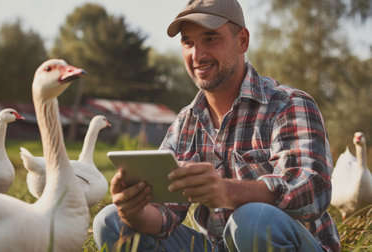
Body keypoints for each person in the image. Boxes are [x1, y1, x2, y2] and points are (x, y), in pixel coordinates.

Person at [93, 0, 341, 251]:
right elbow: (164, 213)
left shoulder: (288, 105)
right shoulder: (185, 123)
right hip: (216, 246)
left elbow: (313, 190)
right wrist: (134, 212)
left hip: (294, 242)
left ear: (242, 40)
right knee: (111, 221)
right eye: (188, 42)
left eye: (210, 38)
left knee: (251, 220)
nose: (197, 55)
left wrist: (227, 191)